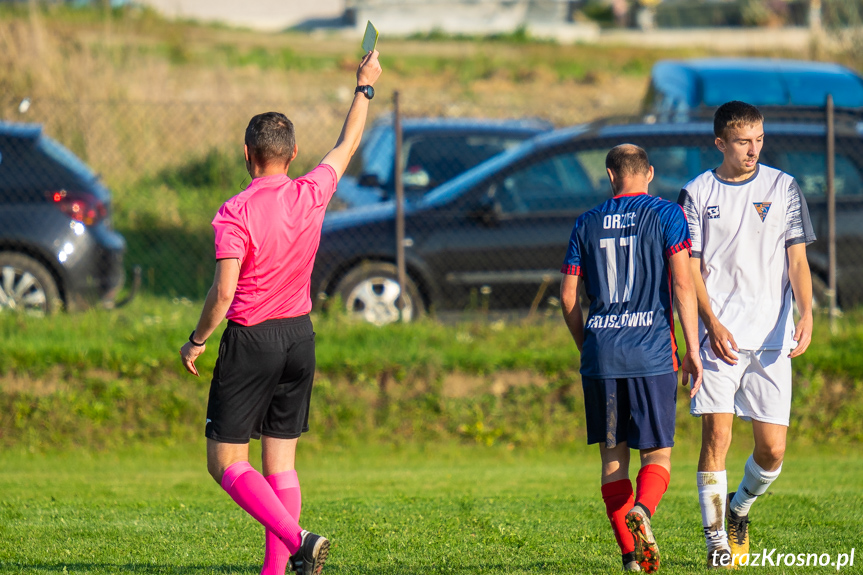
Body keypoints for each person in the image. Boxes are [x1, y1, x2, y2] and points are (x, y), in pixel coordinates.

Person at [178, 51, 382, 575]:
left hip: (252, 340)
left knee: (225, 461)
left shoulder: (234, 211)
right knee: (281, 464)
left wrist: (197, 340)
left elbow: (223, 294)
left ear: (247, 154)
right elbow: (347, 144)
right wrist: (364, 86)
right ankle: (277, 570)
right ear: (291, 156)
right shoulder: (311, 192)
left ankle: (297, 539)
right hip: (299, 339)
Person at [677, 101, 816, 569]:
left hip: (772, 336)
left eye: (758, 139)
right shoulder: (695, 193)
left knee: (772, 450)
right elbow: (690, 268)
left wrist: (807, 312)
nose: (753, 149)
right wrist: (711, 324)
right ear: (720, 143)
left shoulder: (784, 187)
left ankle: (739, 510)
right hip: (720, 338)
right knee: (716, 437)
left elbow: (796, 259)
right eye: (742, 141)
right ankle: (716, 542)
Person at [561, 144, 703, 573]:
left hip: (602, 355)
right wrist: (693, 348)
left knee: (613, 459)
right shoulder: (666, 215)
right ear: (650, 173)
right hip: (653, 352)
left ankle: (629, 555)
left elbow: (568, 296)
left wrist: (588, 344)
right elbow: (682, 284)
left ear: (609, 176)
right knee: (657, 455)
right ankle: (643, 509)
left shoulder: (585, 222)